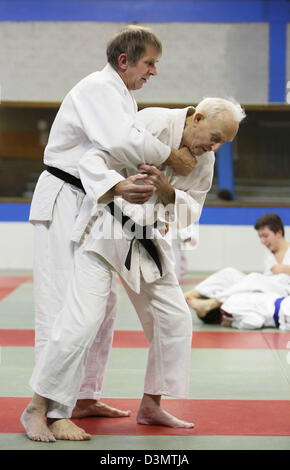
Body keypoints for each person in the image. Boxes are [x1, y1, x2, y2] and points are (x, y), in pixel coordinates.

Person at [22, 97, 245, 442]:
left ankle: (151, 405)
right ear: (196, 117)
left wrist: (169, 192)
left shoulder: (205, 160)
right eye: (213, 137)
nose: (213, 148)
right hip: (105, 230)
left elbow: (192, 213)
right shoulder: (151, 122)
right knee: (83, 320)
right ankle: (39, 408)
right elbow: (93, 158)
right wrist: (121, 186)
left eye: (221, 144)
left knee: (175, 317)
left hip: (146, 238)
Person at [22, 25, 198, 443]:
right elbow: (121, 141)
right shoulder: (99, 89)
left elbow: (114, 152)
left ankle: (81, 397)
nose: (153, 72)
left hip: (91, 200)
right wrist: (171, 155)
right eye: (149, 63)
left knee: (100, 309)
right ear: (125, 61)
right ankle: (44, 410)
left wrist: (122, 187)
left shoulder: (121, 95)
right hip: (65, 198)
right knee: (63, 308)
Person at [185, 213, 290, 329]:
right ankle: (190, 295)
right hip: (267, 291)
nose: (262, 241)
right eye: (260, 237)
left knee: (254, 278)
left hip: (284, 294)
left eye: (265, 236)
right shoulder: (269, 255)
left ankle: (212, 303)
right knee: (229, 273)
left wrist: (285, 268)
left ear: (279, 233)